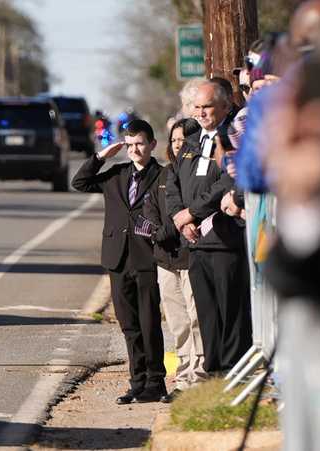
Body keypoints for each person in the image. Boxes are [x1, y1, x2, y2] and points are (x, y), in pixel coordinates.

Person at [72, 119, 169, 404]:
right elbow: (80, 182)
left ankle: (156, 381)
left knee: (149, 321)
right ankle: (137, 382)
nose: (135, 150)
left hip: (147, 258)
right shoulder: (116, 174)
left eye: (140, 144)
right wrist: (102, 156)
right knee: (129, 324)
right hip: (118, 259)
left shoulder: (162, 177)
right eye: (129, 145)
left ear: (152, 145)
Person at [166, 81, 252, 374]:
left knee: (231, 312)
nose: (201, 113)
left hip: (225, 239)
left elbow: (227, 183)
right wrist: (180, 217)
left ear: (225, 107)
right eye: (197, 107)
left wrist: (192, 212)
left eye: (207, 107)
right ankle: (213, 373)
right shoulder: (190, 142)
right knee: (207, 314)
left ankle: (233, 371)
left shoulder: (233, 138)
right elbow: (173, 183)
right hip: (195, 242)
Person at [143, 117, 206, 397]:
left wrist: (170, 228)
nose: (179, 144)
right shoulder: (164, 174)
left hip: (191, 255)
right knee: (178, 322)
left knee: (196, 320)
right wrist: (158, 232)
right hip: (165, 259)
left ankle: (199, 374)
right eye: (175, 140)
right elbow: (153, 208)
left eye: (184, 139)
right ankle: (182, 377)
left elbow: (191, 208)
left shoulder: (201, 170)